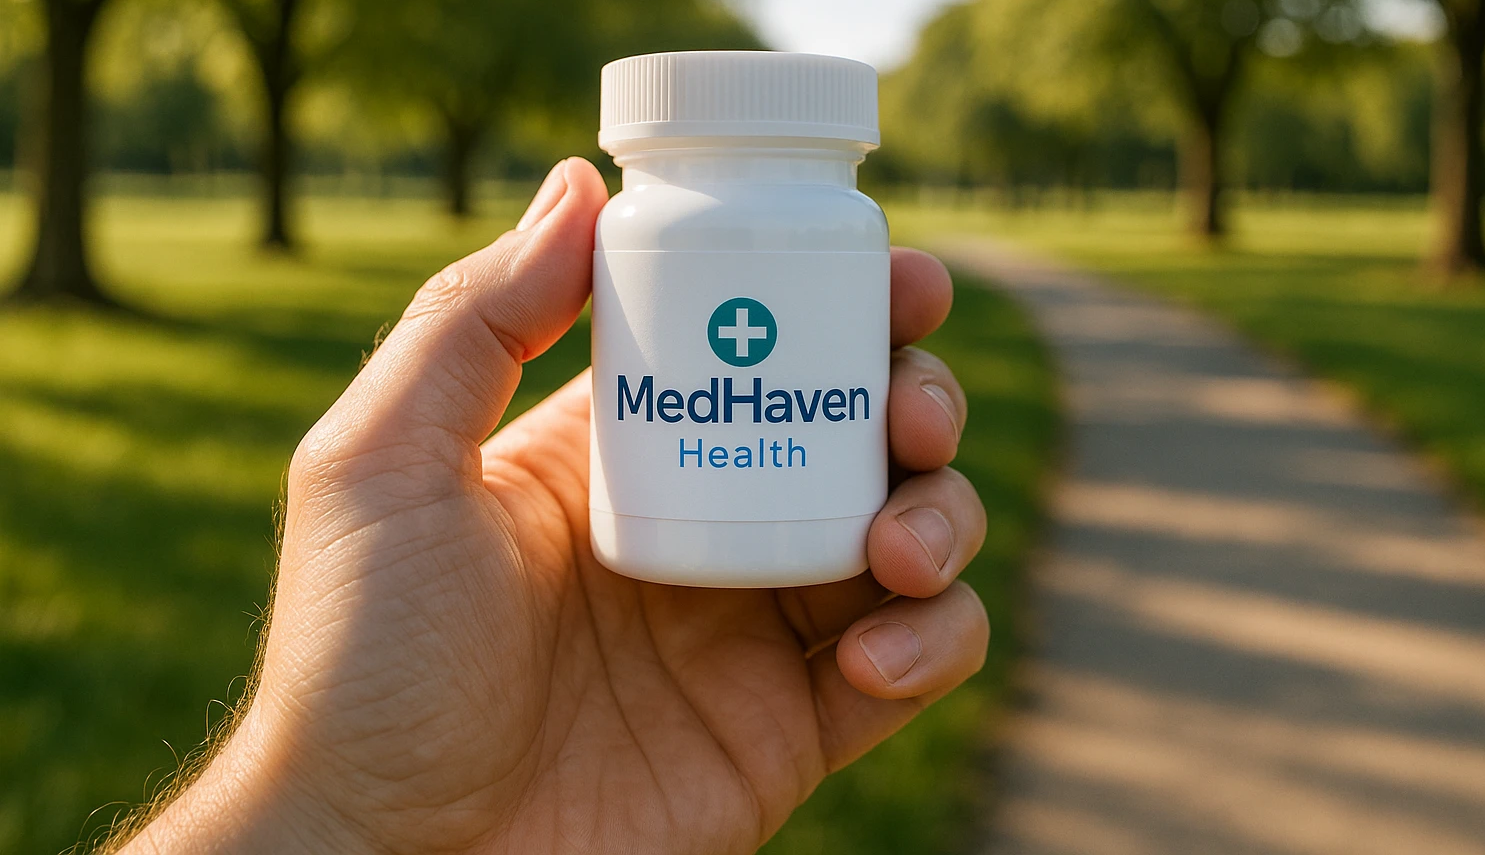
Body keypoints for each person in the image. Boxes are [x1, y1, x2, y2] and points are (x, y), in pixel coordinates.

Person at [114, 158, 988, 854]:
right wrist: (324, 809)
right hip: (495, 727)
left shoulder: (831, 230)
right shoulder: (650, 227)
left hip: (665, 705)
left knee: (851, 412)